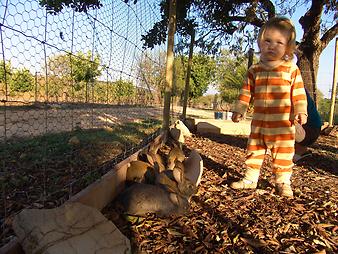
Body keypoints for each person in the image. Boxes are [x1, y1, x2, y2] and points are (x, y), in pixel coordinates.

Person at [230, 16, 308, 197]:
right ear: (260, 43)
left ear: (288, 47)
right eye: (267, 41)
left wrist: (301, 111)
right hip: (259, 124)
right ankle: (250, 179)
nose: (272, 46)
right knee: (254, 151)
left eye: (279, 42)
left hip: (282, 125)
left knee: (283, 154)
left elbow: (298, 93)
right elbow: (245, 93)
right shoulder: (254, 70)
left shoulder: (290, 69)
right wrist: (239, 110)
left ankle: (283, 182)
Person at [293, 89, 322, 163]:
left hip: (309, 131)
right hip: (312, 129)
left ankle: (298, 153)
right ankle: (299, 152)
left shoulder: (295, 88)